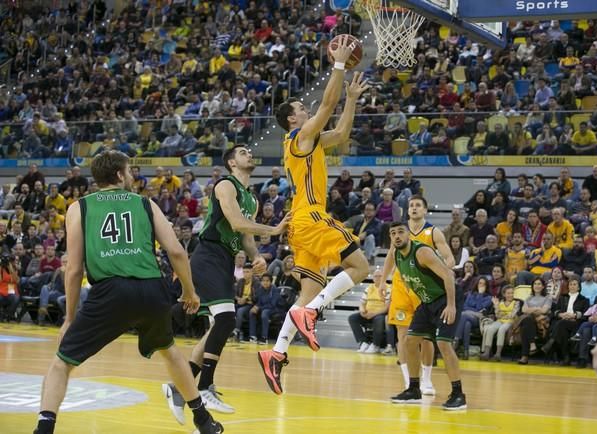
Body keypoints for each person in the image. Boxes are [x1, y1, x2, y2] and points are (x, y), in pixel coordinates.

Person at [34, 151, 223, 434]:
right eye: (130, 172)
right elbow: (176, 252)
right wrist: (189, 291)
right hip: (151, 289)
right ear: (120, 175)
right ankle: (203, 421)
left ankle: (44, 428)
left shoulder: (78, 208)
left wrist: (69, 318)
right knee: (169, 351)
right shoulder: (146, 204)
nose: (133, 177)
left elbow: (73, 269)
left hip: (110, 291)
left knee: (61, 364)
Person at [257, 40, 372, 396]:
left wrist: (351, 100)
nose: (307, 111)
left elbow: (341, 133)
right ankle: (314, 313)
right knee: (361, 268)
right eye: (300, 109)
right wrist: (338, 65)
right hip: (310, 216)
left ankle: (275, 353)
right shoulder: (299, 136)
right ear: (291, 119)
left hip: (299, 224)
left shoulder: (310, 141)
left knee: (306, 295)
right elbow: (326, 104)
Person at [163, 145, 289, 416]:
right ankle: (205, 387)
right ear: (232, 162)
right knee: (226, 320)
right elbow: (235, 222)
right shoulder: (225, 185)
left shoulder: (252, 199)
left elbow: (245, 238)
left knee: (215, 329)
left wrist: (257, 256)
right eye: (243, 152)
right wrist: (274, 229)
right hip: (207, 254)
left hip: (225, 259)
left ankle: (178, 388)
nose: (249, 154)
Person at [385, 222, 466, 410]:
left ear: (409, 235)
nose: (397, 236)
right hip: (428, 302)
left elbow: (448, 275)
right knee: (409, 341)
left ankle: (458, 394)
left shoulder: (422, 252)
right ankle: (414, 389)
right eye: (393, 233)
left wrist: (452, 305)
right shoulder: (397, 255)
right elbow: (407, 277)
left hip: (446, 298)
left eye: (400, 232)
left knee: (444, 343)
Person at [381, 195, 454, 395]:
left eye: (418, 205)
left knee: (426, 338)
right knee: (403, 336)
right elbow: (390, 256)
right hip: (402, 286)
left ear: (425, 210)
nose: (414, 208)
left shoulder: (433, 232)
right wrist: (382, 281)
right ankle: (409, 382)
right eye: (411, 205)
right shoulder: (399, 232)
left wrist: (439, 272)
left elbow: (449, 259)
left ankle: (427, 380)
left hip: (424, 288)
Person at [348, 269, 391, 354]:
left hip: (380, 313)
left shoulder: (388, 288)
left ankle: (375, 345)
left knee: (378, 320)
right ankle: (364, 342)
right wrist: (362, 310)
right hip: (368, 313)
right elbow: (362, 303)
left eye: (380, 276)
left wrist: (373, 314)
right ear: (373, 278)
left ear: (384, 277)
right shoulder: (369, 288)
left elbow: (386, 308)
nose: (378, 278)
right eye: (376, 276)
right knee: (352, 318)